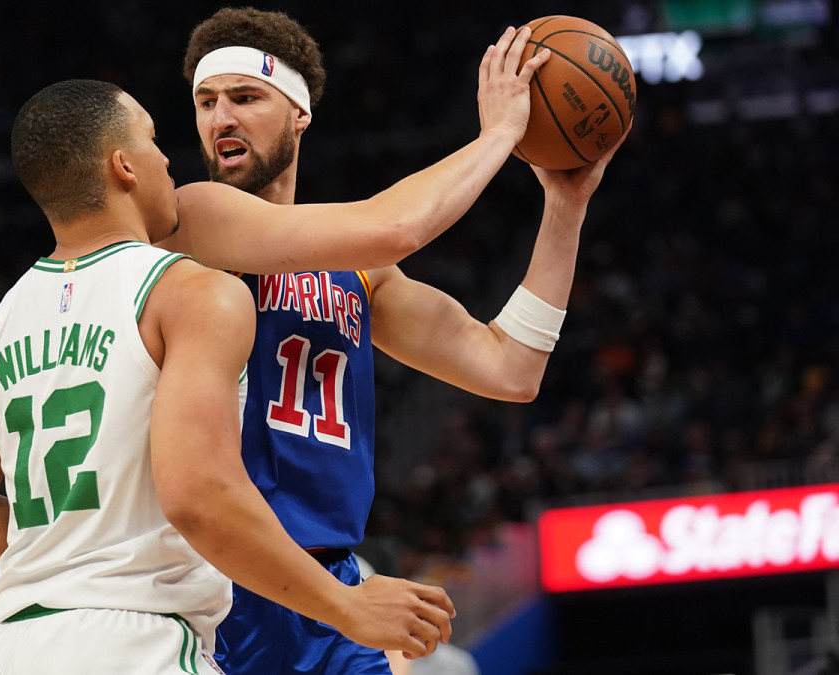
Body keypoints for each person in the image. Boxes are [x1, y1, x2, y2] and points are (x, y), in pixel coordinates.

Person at [0, 79, 456, 674]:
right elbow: (199, 494)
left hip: (7, 649)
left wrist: (89, 514)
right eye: (151, 138)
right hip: (139, 642)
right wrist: (346, 607)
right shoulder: (191, 292)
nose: (168, 158)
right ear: (124, 166)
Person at [162, 8, 628, 675]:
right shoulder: (193, 221)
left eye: (245, 97)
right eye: (207, 102)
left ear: (299, 113)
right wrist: (500, 134)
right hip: (228, 580)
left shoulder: (358, 272)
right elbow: (397, 227)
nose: (220, 119)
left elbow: (511, 367)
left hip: (336, 586)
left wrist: (565, 206)